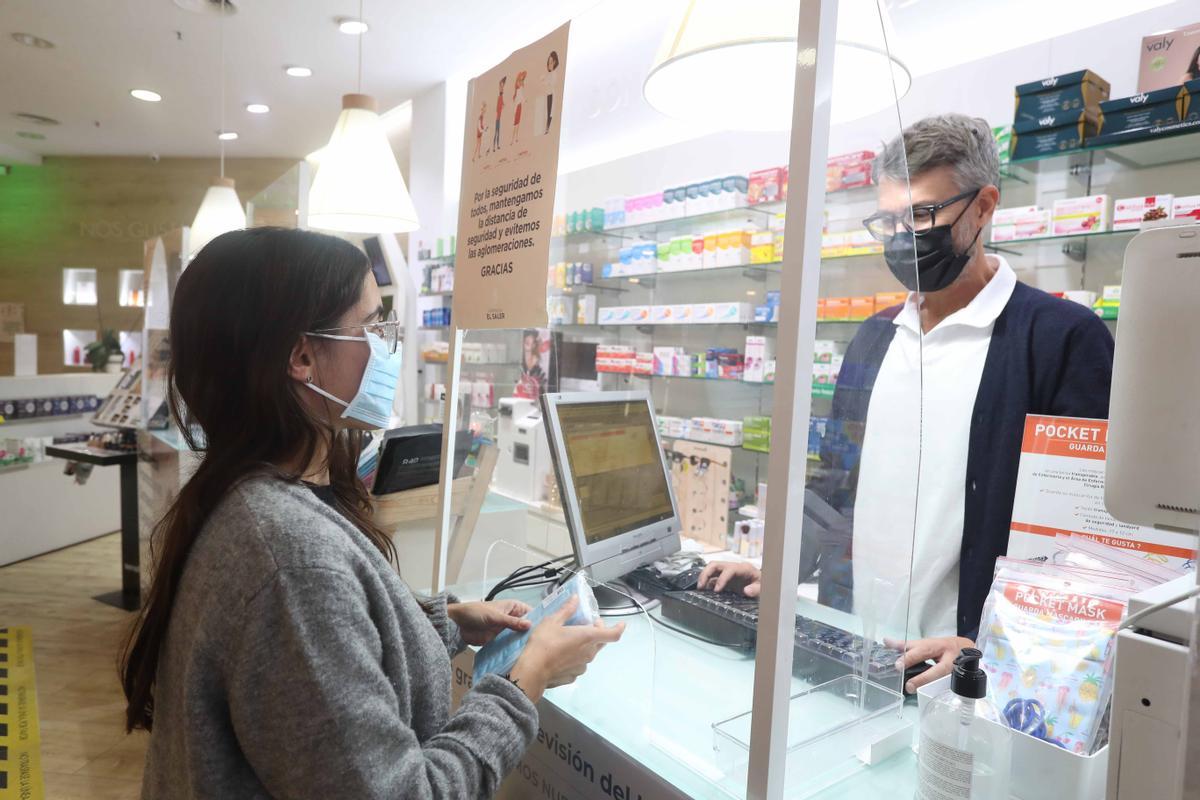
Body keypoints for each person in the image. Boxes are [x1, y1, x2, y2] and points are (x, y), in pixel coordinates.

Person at [121, 228, 623, 798]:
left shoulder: (251, 498)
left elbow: (317, 679)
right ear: (303, 356)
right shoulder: (291, 560)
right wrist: (524, 680)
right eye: (373, 326)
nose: (389, 345)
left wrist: (444, 623)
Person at [700, 114, 1114, 693]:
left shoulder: (1062, 340)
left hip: (966, 671)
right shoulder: (874, 338)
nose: (904, 236)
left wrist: (992, 640)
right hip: (853, 650)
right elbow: (835, 485)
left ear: (983, 207)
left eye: (922, 215)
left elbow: (1080, 537)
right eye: (889, 220)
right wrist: (780, 570)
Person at [492, 76, 506, 153]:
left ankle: (497, 145)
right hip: (498, 118)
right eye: (501, 88)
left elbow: (502, 104)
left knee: (498, 131)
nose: (502, 89)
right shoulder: (499, 97)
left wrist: (503, 106)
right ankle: (494, 146)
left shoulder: (501, 97)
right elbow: (498, 107)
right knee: (496, 132)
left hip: (499, 117)